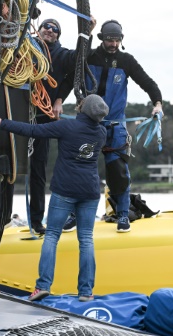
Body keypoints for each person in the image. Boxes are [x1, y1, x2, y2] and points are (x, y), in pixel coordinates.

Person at [0, 93, 108, 302]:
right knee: (86, 239)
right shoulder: (102, 132)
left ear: (83, 109)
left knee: (51, 236)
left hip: (65, 189)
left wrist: (1, 122)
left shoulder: (67, 126)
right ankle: (86, 292)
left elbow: (33, 130)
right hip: (90, 191)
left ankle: (43, 286)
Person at [0, 16, 95, 237]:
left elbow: (78, 62)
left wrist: (87, 32)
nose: (50, 30)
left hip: (43, 116)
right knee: (11, 166)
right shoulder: (25, 46)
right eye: (46, 26)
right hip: (18, 113)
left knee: (38, 169)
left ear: (58, 35)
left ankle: (37, 221)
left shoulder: (62, 54)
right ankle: (3, 216)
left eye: (55, 29)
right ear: (39, 29)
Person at [66, 20, 162, 234]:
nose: (114, 44)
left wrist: (157, 103)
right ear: (102, 39)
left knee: (119, 172)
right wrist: (57, 101)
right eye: (110, 40)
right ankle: (73, 216)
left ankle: (123, 214)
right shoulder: (89, 56)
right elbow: (71, 73)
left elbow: (147, 82)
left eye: (117, 40)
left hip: (115, 125)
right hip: (88, 124)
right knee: (80, 170)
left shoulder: (126, 61)